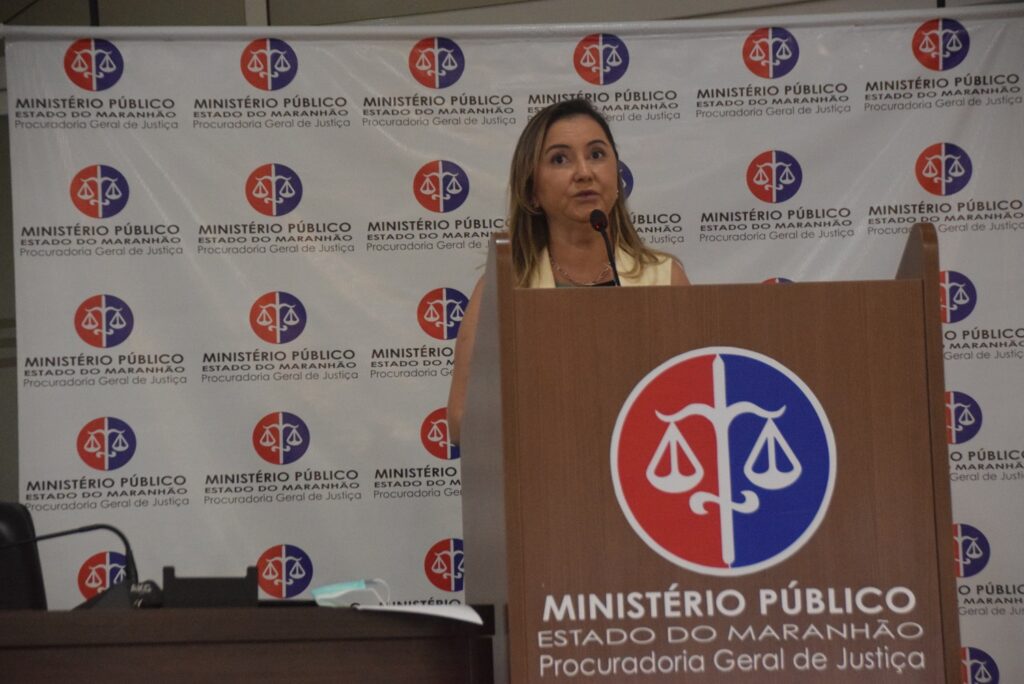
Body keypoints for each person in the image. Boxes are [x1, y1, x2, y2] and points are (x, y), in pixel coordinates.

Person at [446, 98, 690, 443]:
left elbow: (694, 397)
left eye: (597, 154)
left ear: (616, 176)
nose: (584, 172)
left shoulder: (663, 278)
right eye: (560, 159)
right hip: (543, 468)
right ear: (532, 190)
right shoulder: (502, 290)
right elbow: (461, 423)